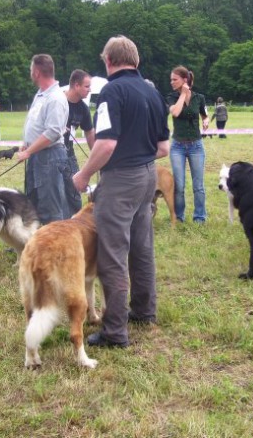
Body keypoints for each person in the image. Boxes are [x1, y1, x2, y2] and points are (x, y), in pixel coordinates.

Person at [73, 35, 170, 348]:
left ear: (108, 61)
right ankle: (143, 311)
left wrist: (84, 174)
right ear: (136, 61)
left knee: (112, 255)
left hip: (120, 180)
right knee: (141, 248)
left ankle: (115, 331)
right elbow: (163, 148)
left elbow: (107, 143)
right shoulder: (153, 93)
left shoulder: (111, 92)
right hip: (147, 177)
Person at [17, 54, 69, 224]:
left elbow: (53, 132)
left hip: (50, 157)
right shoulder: (41, 95)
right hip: (36, 155)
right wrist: (26, 145)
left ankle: (54, 247)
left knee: (50, 206)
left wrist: (29, 151)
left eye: (31, 70)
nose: (30, 73)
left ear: (37, 72)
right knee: (33, 202)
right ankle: (31, 243)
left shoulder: (56, 98)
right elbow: (36, 125)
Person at [166, 66, 209, 224]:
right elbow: (175, 112)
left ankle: (200, 217)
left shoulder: (199, 98)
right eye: (171, 79)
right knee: (179, 186)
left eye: (174, 79)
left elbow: (205, 115)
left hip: (196, 146)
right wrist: (183, 94)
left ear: (185, 80)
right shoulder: (171, 97)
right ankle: (179, 217)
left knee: (198, 185)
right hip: (177, 147)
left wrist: (206, 121)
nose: (171, 82)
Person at [63, 69, 95, 217]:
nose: (90, 90)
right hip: (50, 154)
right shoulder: (58, 101)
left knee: (75, 191)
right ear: (76, 85)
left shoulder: (83, 109)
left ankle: (73, 225)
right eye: (87, 86)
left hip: (69, 153)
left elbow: (89, 132)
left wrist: (96, 155)